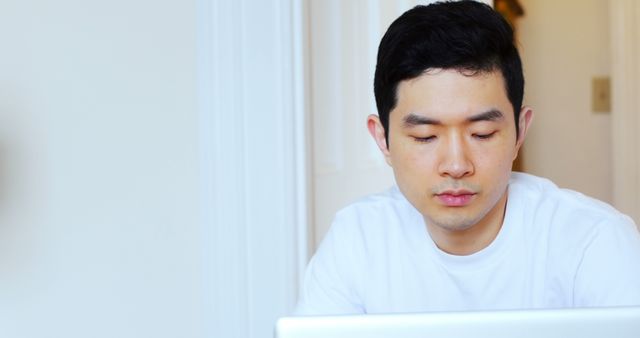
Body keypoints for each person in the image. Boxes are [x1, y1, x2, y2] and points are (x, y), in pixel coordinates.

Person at [294, 0, 640, 315]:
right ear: (382, 138)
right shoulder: (357, 240)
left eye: (482, 134)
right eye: (425, 137)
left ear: (520, 131)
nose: (457, 165)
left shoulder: (593, 241)